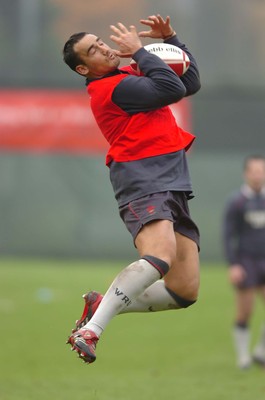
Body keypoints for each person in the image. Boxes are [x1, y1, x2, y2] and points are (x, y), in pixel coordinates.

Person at [63, 14, 201, 364]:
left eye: (101, 41)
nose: (105, 48)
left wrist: (171, 39)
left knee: (185, 290)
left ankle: (100, 304)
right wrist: (141, 51)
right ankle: (92, 330)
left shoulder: (126, 77)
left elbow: (190, 83)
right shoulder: (112, 88)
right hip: (142, 178)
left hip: (172, 180)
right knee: (159, 256)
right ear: (83, 69)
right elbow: (173, 89)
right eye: (93, 49)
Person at [223, 155, 265, 369]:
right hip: (246, 260)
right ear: (246, 174)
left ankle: (260, 352)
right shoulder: (237, 202)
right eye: (254, 171)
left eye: (261, 170)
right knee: (245, 311)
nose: (258, 175)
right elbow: (228, 235)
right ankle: (243, 357)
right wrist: (234, 264)